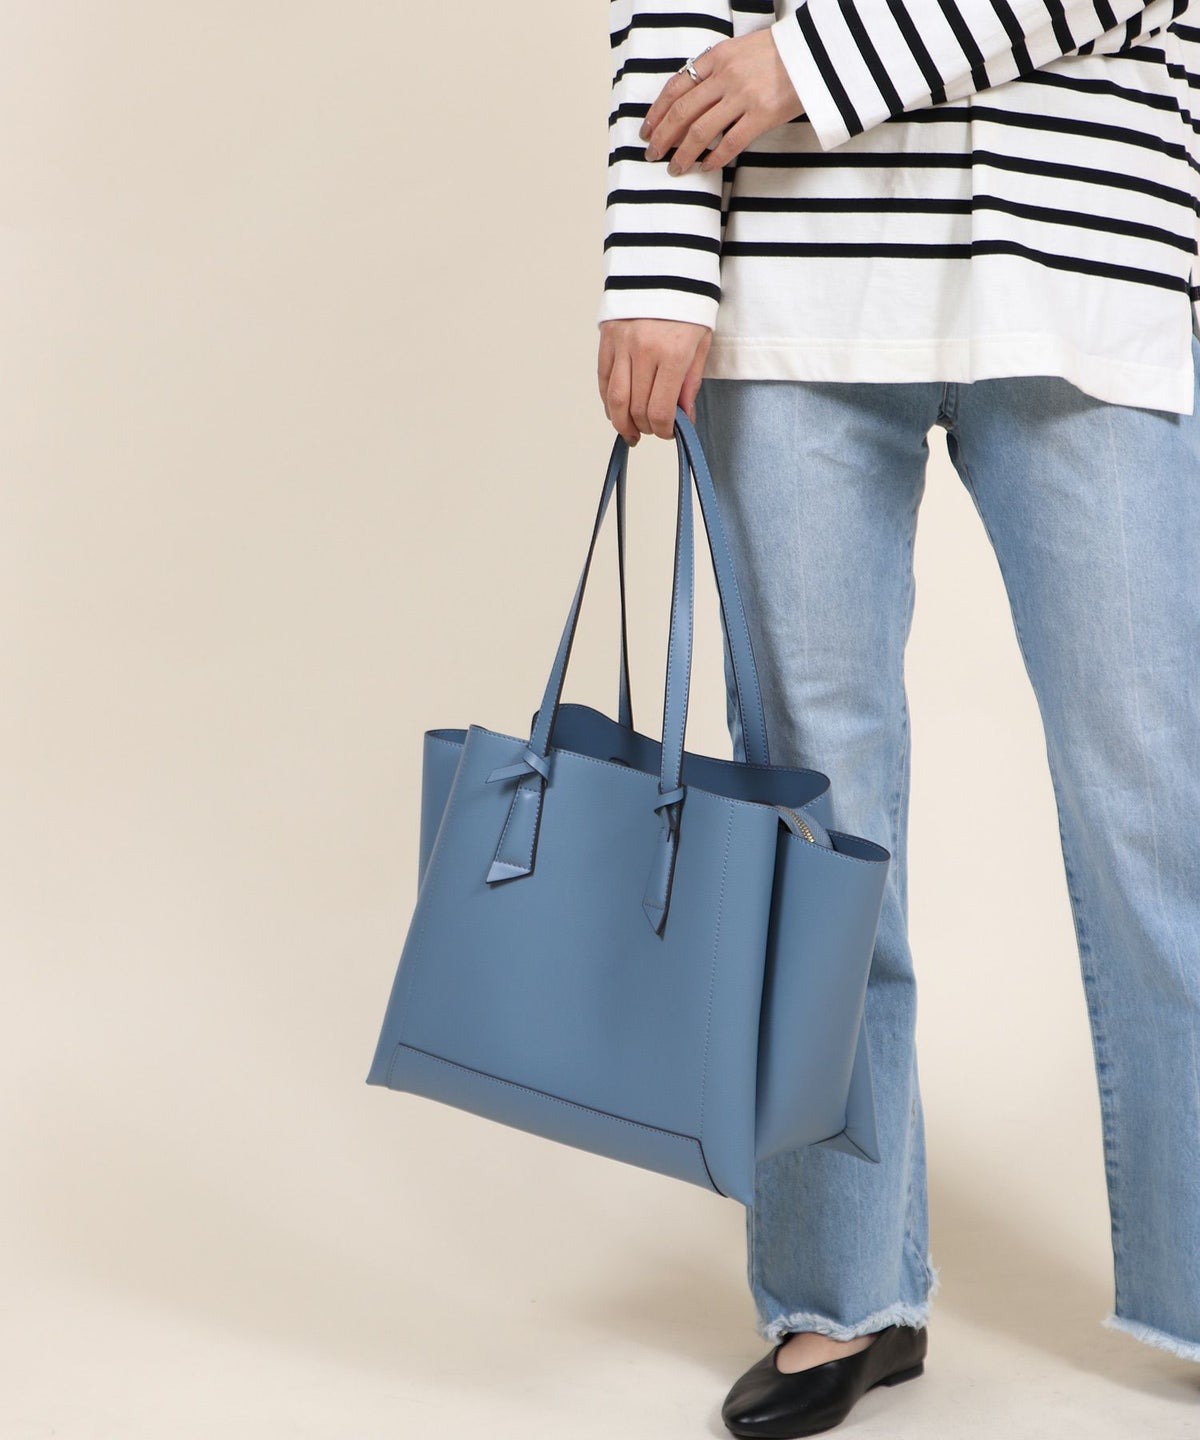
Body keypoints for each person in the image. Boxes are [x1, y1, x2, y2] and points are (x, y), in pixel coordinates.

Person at [596, 3, 1200, 1436]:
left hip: (1079, 251)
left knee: (1158, 804)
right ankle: (841, 1286)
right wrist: (658, 262)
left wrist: (810, 63)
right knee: (815, 818)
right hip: (792, 272)